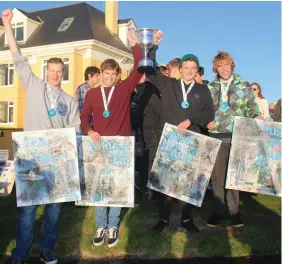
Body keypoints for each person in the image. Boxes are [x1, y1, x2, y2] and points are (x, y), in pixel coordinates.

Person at [2, 9, 81, 264]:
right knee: (28, 213)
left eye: (60, 71)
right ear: (47, 71)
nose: (56, 74)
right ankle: (21, 254)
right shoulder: (34, 86)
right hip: (32, 159)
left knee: (54, 211)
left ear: (63, 73)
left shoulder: (69, 101)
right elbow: (18, 56)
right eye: (53, 70)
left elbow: (76, 130)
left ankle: (46, 250)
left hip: (57, 162)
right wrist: (7, 25)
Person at [80, 30, 162, 247]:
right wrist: (88, 130)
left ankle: (113, 225)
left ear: (117, 75)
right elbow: (83, 117)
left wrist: (134, 45)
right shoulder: (91, 94)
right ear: (100, 74)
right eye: (105, 74)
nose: (108, 78)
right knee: (100, 186)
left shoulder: (124, 88)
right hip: (99, 146)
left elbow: (138, 67)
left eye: (112, 74)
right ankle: (100, 225)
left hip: (120, 147)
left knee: (116, 187)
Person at [147, 37, 215, 233]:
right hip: (170, 139)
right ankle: (163, 218)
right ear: (181, 68)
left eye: (193, 68)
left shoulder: (202, 90)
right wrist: (153, 47)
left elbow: (208, 113)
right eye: (186, 67)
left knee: (189, 181)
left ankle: (186, 219)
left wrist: (191, 120)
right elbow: (150, 70)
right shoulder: (168, 84)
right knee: (165, 180)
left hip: (192, 139)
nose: (189, 71)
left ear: (197, 71)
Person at [206, 51, 263, 228]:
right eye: (220, 66)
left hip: (237, 137)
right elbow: (205, 110)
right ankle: (217, 212)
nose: (224, 68)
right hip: (215, 136)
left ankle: (234, 213)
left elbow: (252, 108)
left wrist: (257, 117)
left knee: (234, 177)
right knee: (217, 178)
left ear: (232, 65)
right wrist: (206, 120)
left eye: (227, 65)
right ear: (215, 68)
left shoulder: (243, 85)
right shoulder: (210, 87)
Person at [130, 73, 162, 200]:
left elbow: (160, 111)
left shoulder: (151, 91)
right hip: (137, 132)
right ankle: (142, 189)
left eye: (142, 75)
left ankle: (152, 193)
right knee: (140, 162)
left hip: (152, 132)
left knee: (151, 163)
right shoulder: (131, 92)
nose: (140, 77)